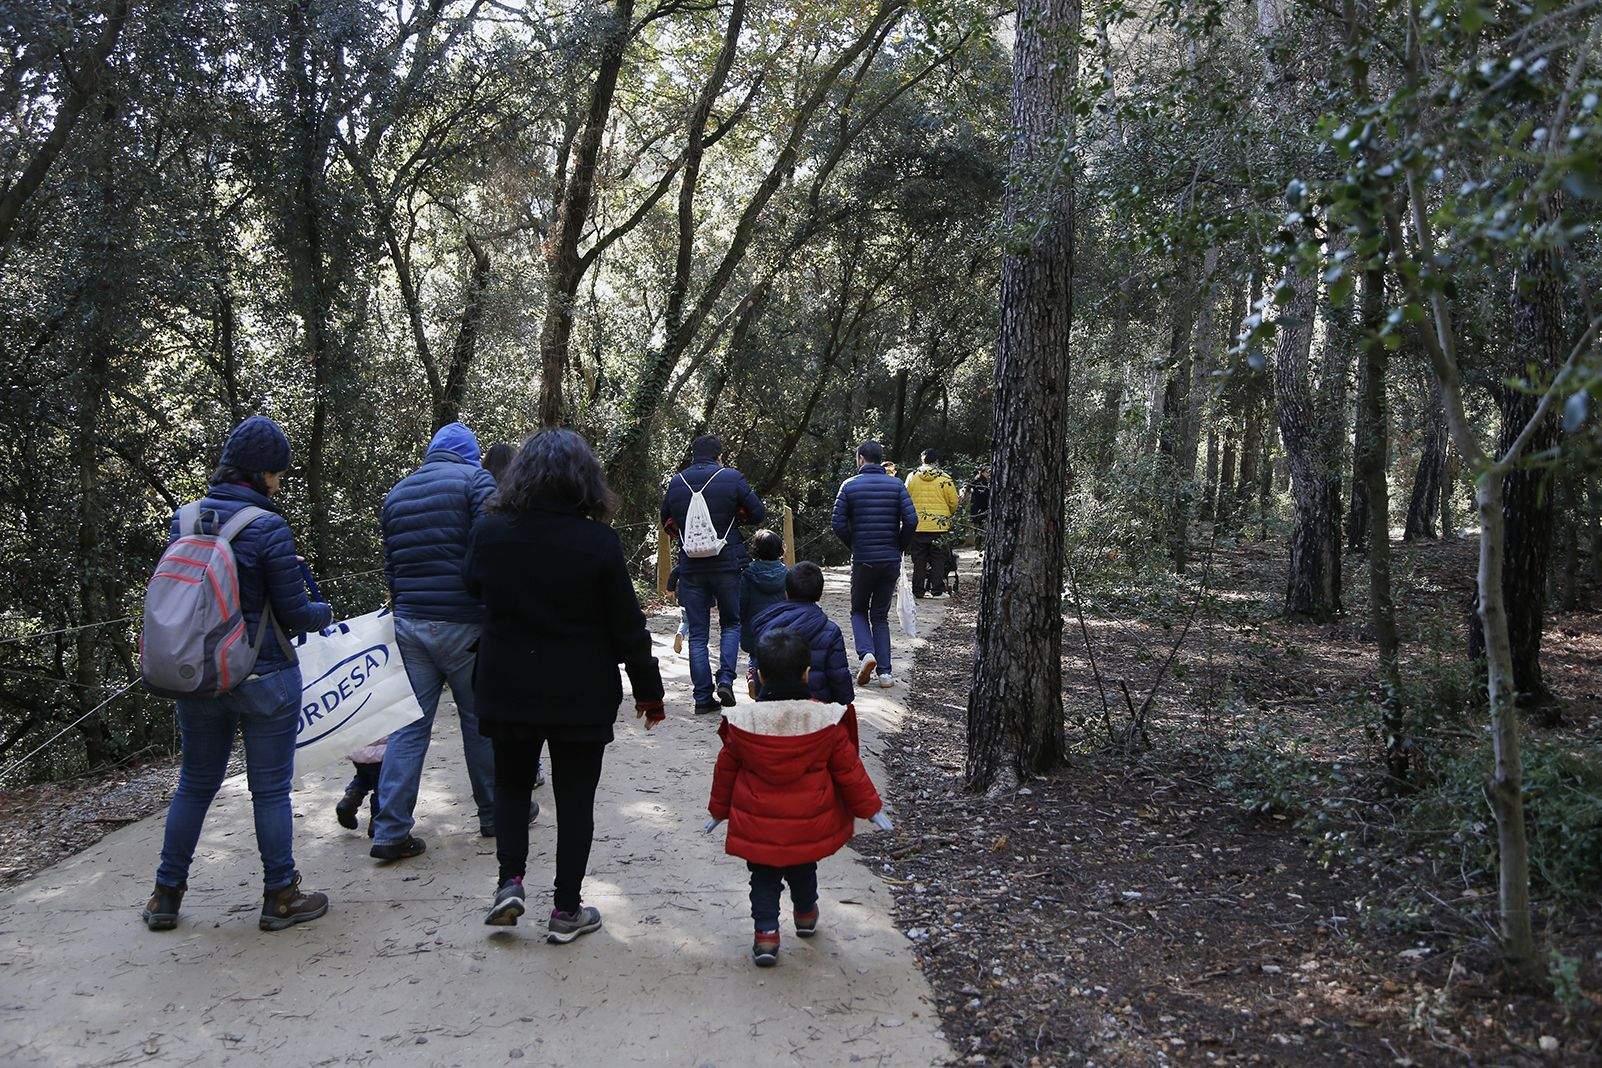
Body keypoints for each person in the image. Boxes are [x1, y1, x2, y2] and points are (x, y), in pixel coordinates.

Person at [465, 429, 665, 941]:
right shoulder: (598, 541)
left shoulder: (490, 532)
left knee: (510, 785)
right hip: (580, 692)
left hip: (506, 684)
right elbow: (627, 626)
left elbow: (472, 587)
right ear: (585, 481)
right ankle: (565, 910)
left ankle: (509, 882)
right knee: (576, 799)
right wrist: (649, 691)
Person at [143, 415, 334, 933]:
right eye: (279, 474)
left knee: (194, 784)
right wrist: (326, 610)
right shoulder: (268, 527)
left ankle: (166, 894)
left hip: (199, 675)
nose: (279, 484)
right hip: (263, 676)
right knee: (270, 790)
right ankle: (280, 896)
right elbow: (295, 615)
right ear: (266, 473)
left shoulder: (183, 521)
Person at [705, 627, 892, 967]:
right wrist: (872, 809)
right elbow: (849, 770)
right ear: (807, 673)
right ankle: (805, 915)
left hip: (758, 825)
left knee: (762, 879)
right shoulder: (824, 719)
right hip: (807, 821)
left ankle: (765, 935)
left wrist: (718, 811)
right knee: (803, 869)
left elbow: (726, 770)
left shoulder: (743, 722)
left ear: (759, 676)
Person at [372, 422, 500, 862]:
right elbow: (489, 547)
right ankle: (493, 814)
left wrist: (404, 602)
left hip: (410, 624)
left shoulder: (397, 493)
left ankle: (389, 829)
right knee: (481, 721)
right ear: (470, 453)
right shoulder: (476, 482)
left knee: (408, 727)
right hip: (464, 624)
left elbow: (391, 565)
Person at [660, 434, 764, 714]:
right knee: (731, 624)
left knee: (697, 634)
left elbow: (666, 519)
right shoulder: (731, 477)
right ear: (719, 456)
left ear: (693, 456)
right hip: (727, 563)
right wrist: (736, 515)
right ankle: (726, 680)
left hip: (691, 567)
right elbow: (758, 513)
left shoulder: (676, 482)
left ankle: (702, 698)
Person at [830, 441, 917, 689]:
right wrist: (899, 546)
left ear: (860, 459)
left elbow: (837, 523)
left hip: (863, 558)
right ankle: (886, 673)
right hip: (889, 559)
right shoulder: (897, 485)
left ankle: (866, 653)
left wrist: (855, 545)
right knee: (880, 616)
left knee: (858, 610)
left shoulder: (849, 486)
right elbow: (911, 520)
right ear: (880, 459)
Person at [746, 562, 855, 705]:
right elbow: (838, 674)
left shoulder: (766, 623)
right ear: (820, 593)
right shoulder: (830, 630)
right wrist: (844, 700)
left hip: (771, 704)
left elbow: (759, 665)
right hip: (817, 708)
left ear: (786, 591)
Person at [738, 530, 788, 695]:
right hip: (778, 624)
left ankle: (753, 674)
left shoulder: (748, 573)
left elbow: (742, 601)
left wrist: (741, 619)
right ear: (780, 550)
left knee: (756, 653)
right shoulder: (786, 573)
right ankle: (772, 683)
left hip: (754, 624)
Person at [905, 448, 959, 599]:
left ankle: (918, 591)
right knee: (938, 559)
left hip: (918, 525)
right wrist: (948, 514)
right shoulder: (945, 477)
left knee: (919, 560)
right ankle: (937, 590)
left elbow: (905, 499)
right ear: (936, 462)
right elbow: (953, 502)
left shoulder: (912, 477)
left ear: (921, 460)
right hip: (939, 526)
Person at [335, 736, 385, 837]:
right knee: (382, 786)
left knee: (363, 778)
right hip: (381, 753)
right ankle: (378, 822)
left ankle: (349, 799)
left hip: (358, 751)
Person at [967, 467, 991, 548]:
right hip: (977, 505)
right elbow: (968, 487)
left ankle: (982, 544)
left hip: (984, 505)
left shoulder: (988, 482)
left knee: (982, 524)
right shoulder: (977, 481)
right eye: (987, 472)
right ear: (982, 473)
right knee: (978, 525)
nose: (988, 474)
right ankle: (978, 544)